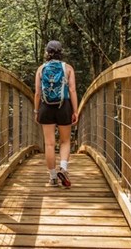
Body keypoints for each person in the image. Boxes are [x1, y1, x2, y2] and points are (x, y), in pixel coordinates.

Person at [34, 40, 79, 187]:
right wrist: (75, 110)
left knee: (49, 144)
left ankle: (53, 177)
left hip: (46, 107)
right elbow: (72, 90)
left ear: (47, 52)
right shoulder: (68, 68)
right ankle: (64, 169)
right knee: (65, 141)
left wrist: (36, 111)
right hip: (63, 106)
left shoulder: (41, 69)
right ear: (61, 52)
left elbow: (37, 93)